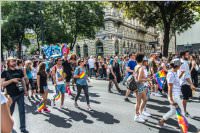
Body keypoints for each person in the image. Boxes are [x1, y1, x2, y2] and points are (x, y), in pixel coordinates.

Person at [1, 57, 28, 133]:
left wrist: (25, 90)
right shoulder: (5, 72)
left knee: (22, 111)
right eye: (13, 61)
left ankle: (23, 128)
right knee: (9, 112)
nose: (14, 62)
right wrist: (12, 80)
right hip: (11, 96)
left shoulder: (19, 71)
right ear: (8, 63)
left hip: (20, 93)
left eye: (15, 61)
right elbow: (1, 84)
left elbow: (22, 81)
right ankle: (8, 126)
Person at [159, 59, 182, 126]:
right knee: (180, 110)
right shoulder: (171, 74)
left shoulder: (174, 72)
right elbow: (170, 87)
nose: (181, 65)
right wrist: (170, 98)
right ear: (177, 65)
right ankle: (182, 126)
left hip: (176, 94)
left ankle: (162, 121)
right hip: (174, 95)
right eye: (180, 64)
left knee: (173, 110)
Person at [134, 53, 151, 123]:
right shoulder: (141, 67)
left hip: (140, 86)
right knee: (138, 102)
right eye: (144, 58)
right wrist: (147, 80)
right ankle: (137, 116)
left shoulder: (137, 66)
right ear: (142, 59)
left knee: (145, 99)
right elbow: (139, 79)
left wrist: (146, 78)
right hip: (139, 86)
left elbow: (137, 76)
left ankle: (140, 113)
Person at [178, 51, 196, 118]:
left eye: (189, 55)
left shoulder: (183, 62)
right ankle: (184, 112)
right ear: (183, 56)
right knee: (185, 99)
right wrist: (191, 84)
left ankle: (183, 111)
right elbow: (185, 76)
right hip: (184, 83)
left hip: (185, 83)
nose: (188, 56)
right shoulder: (183, 63)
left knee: (186, 98)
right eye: (187, 55)